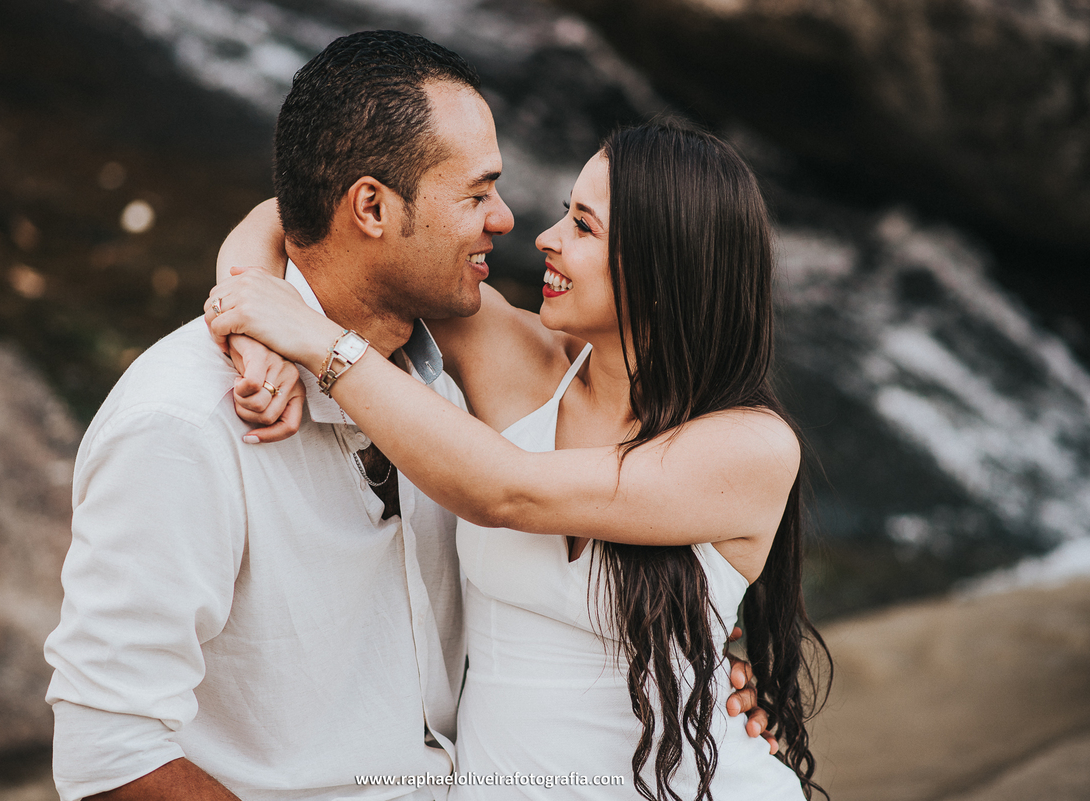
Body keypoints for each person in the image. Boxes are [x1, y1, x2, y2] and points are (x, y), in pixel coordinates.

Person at [44, 30, 768, 801]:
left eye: (582, 224)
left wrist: (703, 664)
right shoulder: (186, 424)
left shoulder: (452, 379)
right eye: (477, 192)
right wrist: (249, 311)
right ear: (372, 207)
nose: (514, 224)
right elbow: (109, 751)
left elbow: (509, 493)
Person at [206, 118, 831, 800]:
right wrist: (256, 337)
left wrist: (318, 342)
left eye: (584, 226)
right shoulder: (516, 361)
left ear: (663, 267)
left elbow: (504, 491)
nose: (545, 237)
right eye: (566, 211)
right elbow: (295, 220)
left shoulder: (750, 446)